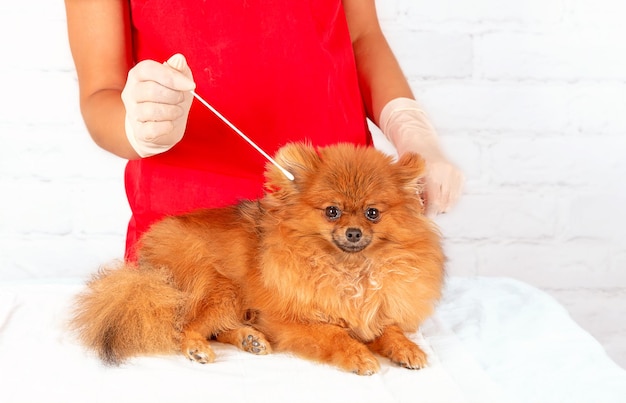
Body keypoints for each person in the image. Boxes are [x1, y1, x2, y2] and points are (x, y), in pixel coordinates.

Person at [64, 0, 464, 261]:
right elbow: (101, 92)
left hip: (333, 219)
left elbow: (362, 37)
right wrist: (137, 127)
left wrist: (412, 132)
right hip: (194, 236)